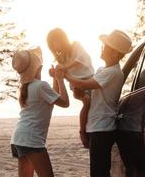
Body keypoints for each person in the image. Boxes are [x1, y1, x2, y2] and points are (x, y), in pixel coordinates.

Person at [64, 29, 132, 177]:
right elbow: (88, 91)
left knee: (99, 172)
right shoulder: (103, 70)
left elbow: (84, 84)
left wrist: (65, 75)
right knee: (98, 170)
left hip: (103, 128)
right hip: (97, 127)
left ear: (115, 53)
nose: (102, 47)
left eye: (105, 46)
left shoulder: (113, 72)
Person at [10, 47, 69, 177]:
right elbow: (65, 103)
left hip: (18, 138)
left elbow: (53, 97)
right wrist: (60, 79)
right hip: (32, 140)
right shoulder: (41, 86)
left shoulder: (25, 87)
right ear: (38, 68)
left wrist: (54, 78)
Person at [47, 27, 95, 148]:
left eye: (56, 42)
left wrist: (65, 67)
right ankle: (82, 131)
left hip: (90, 79)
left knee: (94, 106)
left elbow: (80, 60)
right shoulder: (60, 60)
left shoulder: (76, 45)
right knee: (87, 102)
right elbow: (55, 91)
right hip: (76, 83)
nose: (55, 46)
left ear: (62, 39)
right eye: (52, 45)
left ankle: (89, 130)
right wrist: (55, 75)